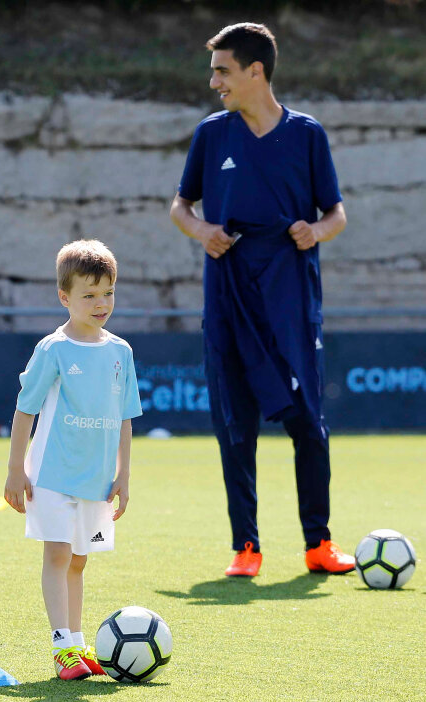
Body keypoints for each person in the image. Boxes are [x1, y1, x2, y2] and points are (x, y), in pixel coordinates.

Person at [169, 23, 352, 578]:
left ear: (256, 71)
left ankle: (318, 543)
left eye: (222, 70)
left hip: (290, 293)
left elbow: (336, 213)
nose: (214, 82)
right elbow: (180, 206)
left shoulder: (306, 135)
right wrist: (203, 232)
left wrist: (315, 233)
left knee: (308, 423)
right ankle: (246, 547)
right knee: (234, 421)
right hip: (227, 291)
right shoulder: (212, 134)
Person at [4, 240, 142, 681]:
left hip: (98, 481)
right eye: (89, 295)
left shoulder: (121, 351)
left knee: (80, 559)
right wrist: (14, 468)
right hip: (52, 476)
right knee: (59, 554)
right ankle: (62, 645)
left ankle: (78, 643)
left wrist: (123, 474)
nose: (101, 303)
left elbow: (125, 416)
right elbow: (25, 409)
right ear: (65, 297)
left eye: (108, 293)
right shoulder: (54, 349)